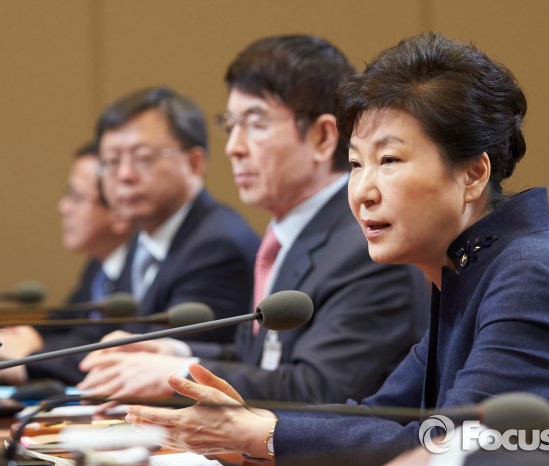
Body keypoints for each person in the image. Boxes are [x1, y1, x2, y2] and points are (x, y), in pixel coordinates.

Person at [122, 32, 549, 466]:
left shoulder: (531, 277)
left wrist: (263, 434)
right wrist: (256, 426)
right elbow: (383, 414)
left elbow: (444, 444)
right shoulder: (469, 273)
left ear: (473, 174)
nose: (363, 191)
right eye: (356, 164)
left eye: (390, 161)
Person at [78, 35, 430, 404]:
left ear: (322, 137)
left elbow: (323, 390)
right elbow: (264, 362)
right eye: (231, 125)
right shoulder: (288, 237)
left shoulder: (365, 245)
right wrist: (174, 352)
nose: (234, 147)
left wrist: (180, 373)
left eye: (256, 123)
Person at [91, 87, 260, 350]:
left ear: (194, 163)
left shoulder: (217, 247)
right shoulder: (144, 235)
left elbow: (152, 353)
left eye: (143, 158)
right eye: (112, 161)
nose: (124, 175)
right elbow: (106, 334)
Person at [0, 143, 133, 384]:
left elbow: (95, 342)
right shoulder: (99, 267)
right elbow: (65, 324)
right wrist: (1, 336)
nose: (63, 207)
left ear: (120, 211)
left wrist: (28, 351)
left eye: (76, 197)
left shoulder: (139, 274)